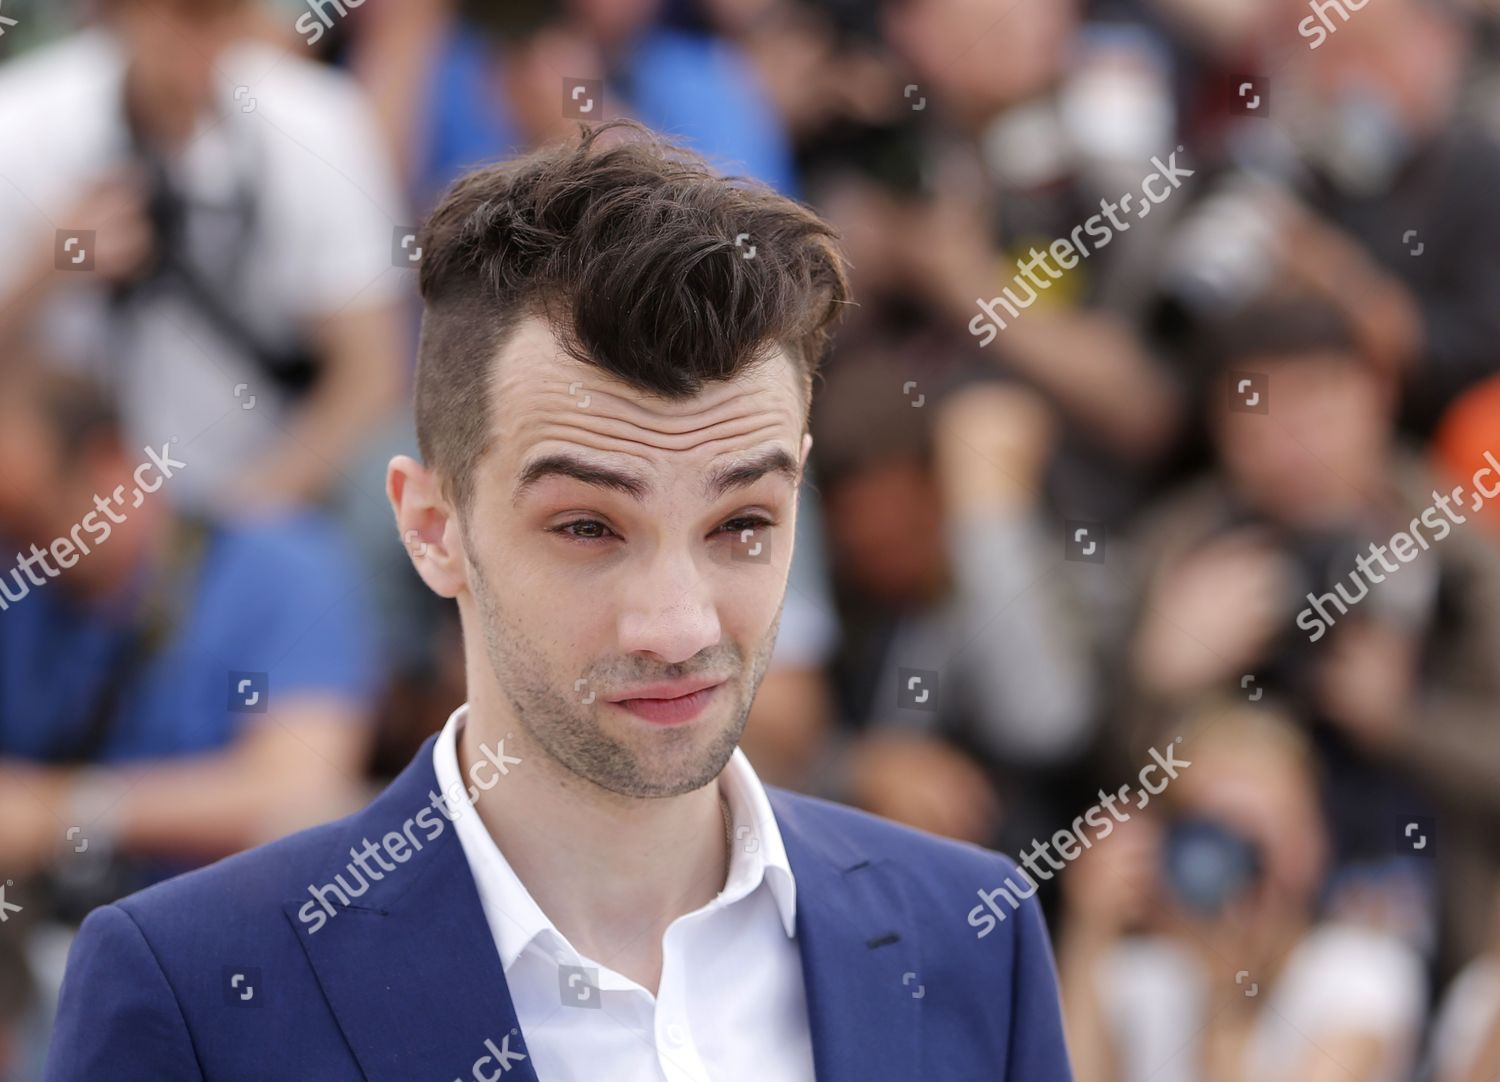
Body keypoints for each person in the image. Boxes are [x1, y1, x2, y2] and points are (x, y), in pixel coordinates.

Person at [42, 120, 1074, 1082]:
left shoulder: (976, 934)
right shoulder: (192, 989)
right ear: (432, 526)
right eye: (588, 526)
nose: (676, 625)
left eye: (742, 523)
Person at [0, 0, 408, 516]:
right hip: (73, 503)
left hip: (274, 502)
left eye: (217, 14)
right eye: (176, 14)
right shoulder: (21, 122)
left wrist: (242, 518)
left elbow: (370, 373)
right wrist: (52, 263)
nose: (194, 42)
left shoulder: (317, 122)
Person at [1058, 701, 1426, 1082]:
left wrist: (1227, 1006)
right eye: (1217, 836)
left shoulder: (1361, 973)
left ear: (1314, 846)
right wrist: (1089, 929)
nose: (1241, 872)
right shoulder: (1147, 977)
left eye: (1262, 838)